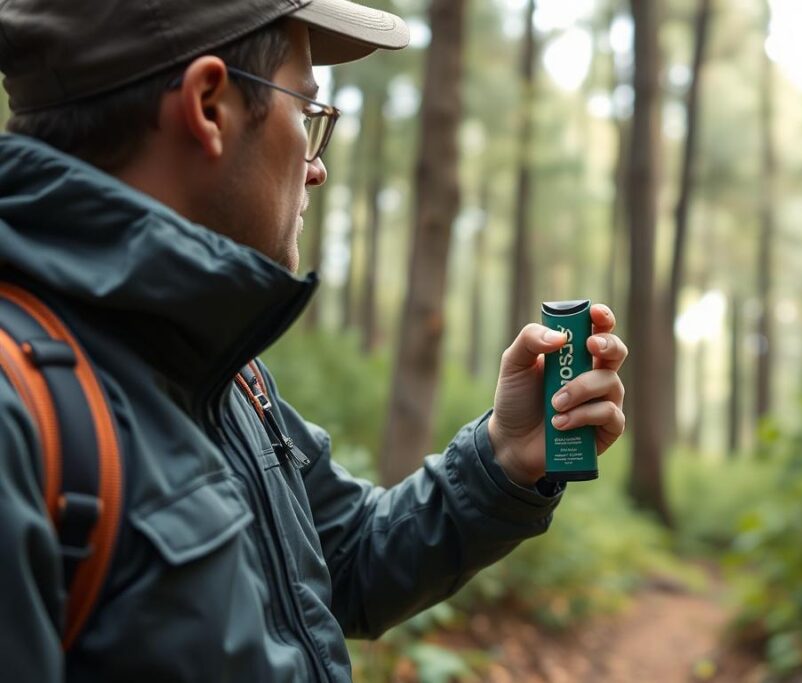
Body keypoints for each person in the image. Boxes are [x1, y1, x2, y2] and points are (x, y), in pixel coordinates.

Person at [0, 1, 628, 681]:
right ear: (209, 106)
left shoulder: (221, 373)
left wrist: (504, 456)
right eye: (307, 111)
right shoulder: (20, 417)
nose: (317, 167)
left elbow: (345, 557)